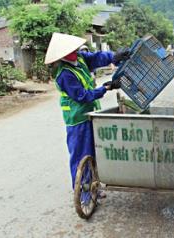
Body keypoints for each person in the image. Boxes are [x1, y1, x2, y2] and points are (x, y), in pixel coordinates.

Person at [44, 32, 129, 195]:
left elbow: (97, 58)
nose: (76, 51)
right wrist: (105, 88)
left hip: (91, 114)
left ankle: (93, 188)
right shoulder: (64, 74)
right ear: (63, 55)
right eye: (72, 50)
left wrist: (114, 56)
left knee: (93, 152)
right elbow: (82, 96)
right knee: (80, 156)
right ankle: (83, 193)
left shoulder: (80, 59)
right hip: (77, 120)